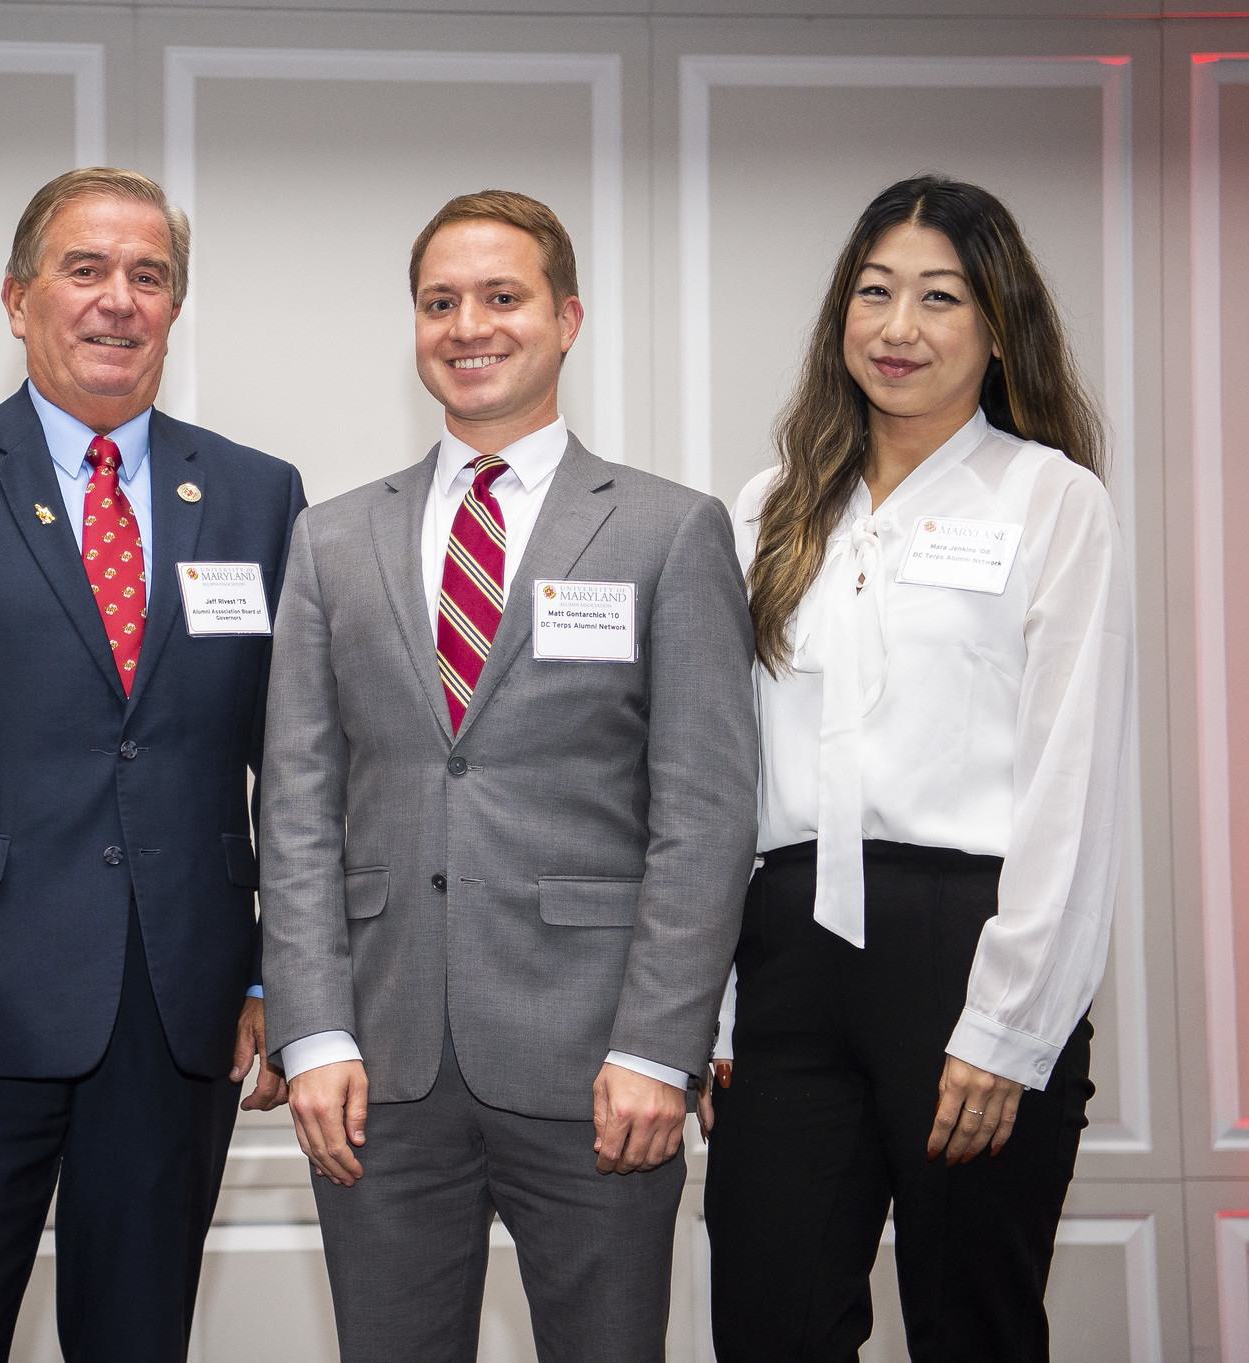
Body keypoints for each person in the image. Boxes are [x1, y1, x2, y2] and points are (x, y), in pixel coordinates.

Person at [0, 166, 305, 1363]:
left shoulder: (256, 495)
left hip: (176, 1008)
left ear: (174, 307)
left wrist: (276, 971)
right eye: (85, 270)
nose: (117, 300)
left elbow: (294, 768)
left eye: (148, 276)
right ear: (16, 297)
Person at [258, 189, 758, 1362]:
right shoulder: (331, 539)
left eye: (500, 296)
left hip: (599, 1070)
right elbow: (294, 806)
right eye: (439, 302)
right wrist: (312, 1033)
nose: (467, 325)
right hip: (378, 1072)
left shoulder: (667, 530)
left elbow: (702, 814)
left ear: (565, 318)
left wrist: (657, 1046)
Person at [700, 174, 1134, 1363]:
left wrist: (1008, 1025)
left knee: (972, 1329)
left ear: (996, 328)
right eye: (873, 292)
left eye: (938, 297)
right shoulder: (770, 508)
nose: (897, 327)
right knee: (769, 1326)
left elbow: (1072, 781)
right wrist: (716, 1000)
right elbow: (725, 772)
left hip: (968, 949)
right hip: (785, 960)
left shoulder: (1051, 500)